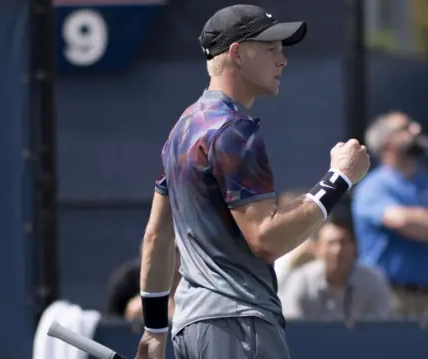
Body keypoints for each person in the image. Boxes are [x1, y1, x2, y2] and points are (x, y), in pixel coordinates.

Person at [134, 5, 371, 359]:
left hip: (191, 329)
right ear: (238, 54)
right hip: (239, 326)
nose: (283, 60)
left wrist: (154, 331)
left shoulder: (182, 130)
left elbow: (157, 236)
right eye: (271, 48)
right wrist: (339, 179)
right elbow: (267, 239)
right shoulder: (233, 131)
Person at [351, 112, 428, 316]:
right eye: (406, 128)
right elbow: (402, 222)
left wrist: (421, 218)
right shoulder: (374, 186)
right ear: (388, 142)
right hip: (390, 296)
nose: (417, 130)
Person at [280, 208, 392, 322]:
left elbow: (381, 329)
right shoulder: (302, 280)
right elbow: (292, 327)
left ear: (355, 247)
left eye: (343, 243)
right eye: (331, 243)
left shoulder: (373, 281)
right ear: (317, 248)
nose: (337, 250)